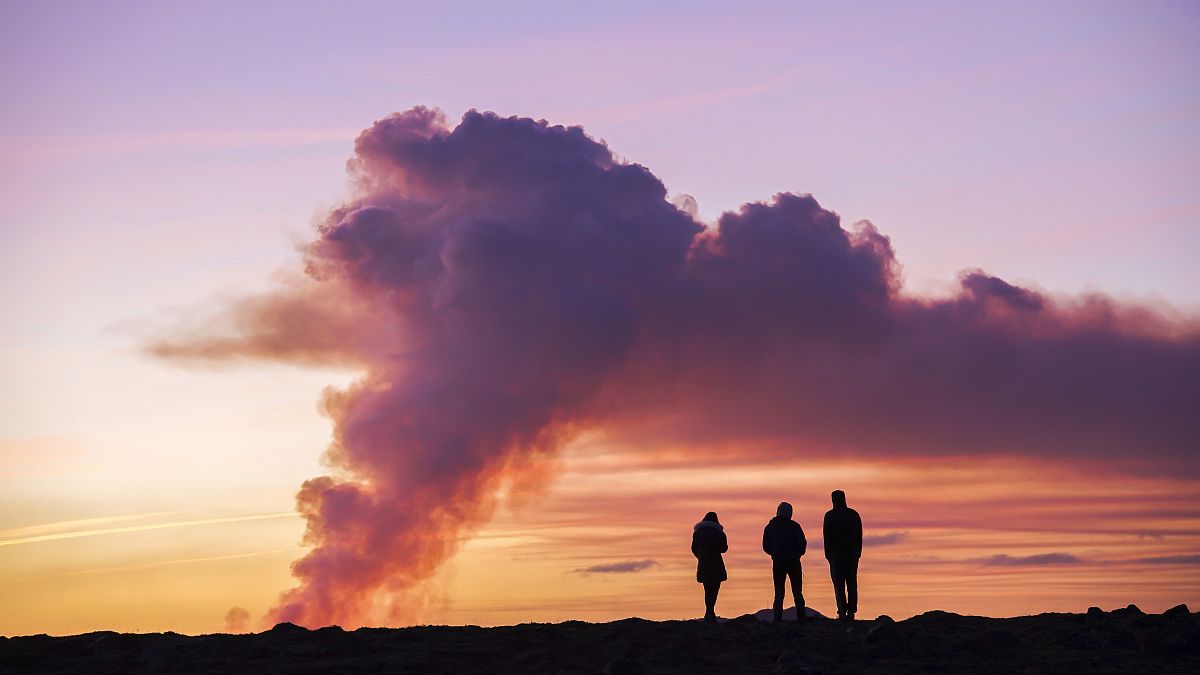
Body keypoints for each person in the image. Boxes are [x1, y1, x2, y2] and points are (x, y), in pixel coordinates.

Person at [762, 501, 806, 623]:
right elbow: (802, 544)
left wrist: (774, 554)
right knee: (797, 591)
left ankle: (777, 618)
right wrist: (797, 554)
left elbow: (766, 546)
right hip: (794, 562)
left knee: (779, 591)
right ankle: (801, 618)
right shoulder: (795, 526)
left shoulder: (770, 527)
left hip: (778, 562)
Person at [823, 489, 863, 621]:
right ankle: (851, 611)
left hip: (836, 555)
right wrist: (857, 552)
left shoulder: (829, 516)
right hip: (851, 554)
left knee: (839, 584)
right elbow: (859, 536)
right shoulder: (853, 514)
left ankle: (842, 610)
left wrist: (828, 555)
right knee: (851, 582)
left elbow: (826, 538)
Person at [691, 511, 728, 623]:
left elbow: (693, 548)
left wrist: (700, 556)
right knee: (714, 589)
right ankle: (710, 612)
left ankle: (709, 612)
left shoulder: (698, 533)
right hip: (716, 563)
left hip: (704, 564)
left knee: (707, 590)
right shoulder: (719, 533)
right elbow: (724, 548)